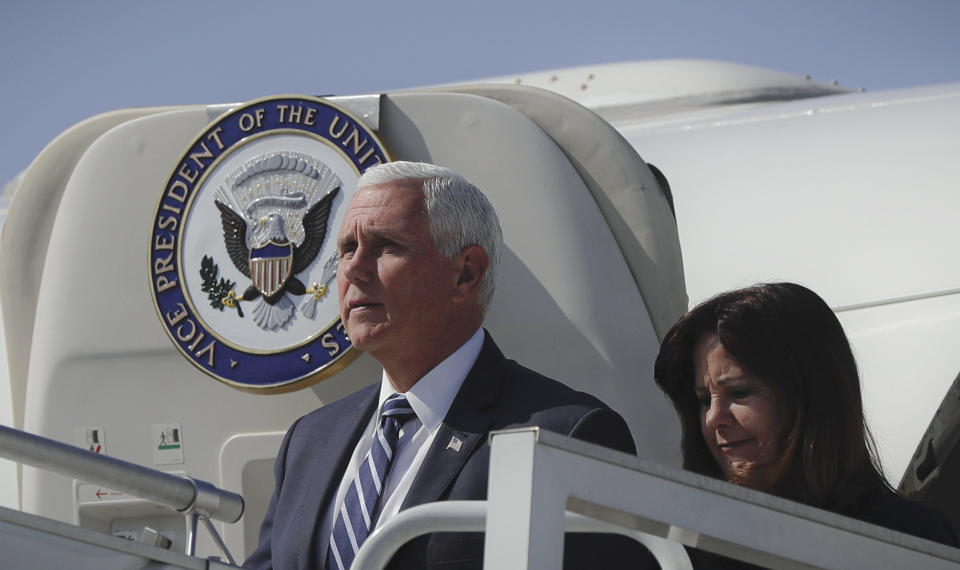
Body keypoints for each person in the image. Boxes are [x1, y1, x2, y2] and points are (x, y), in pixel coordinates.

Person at [245, 161, 652, 570]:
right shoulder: (309, 440)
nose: (353, 268)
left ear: (466, 273)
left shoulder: (568, 437)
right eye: (347, 248)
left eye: (385, 245)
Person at [654, 282, 957, 568]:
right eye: (705, 399)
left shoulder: (911, 539)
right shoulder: (680, 540)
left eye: (740, 392)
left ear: (810, 396)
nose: (712, 417)